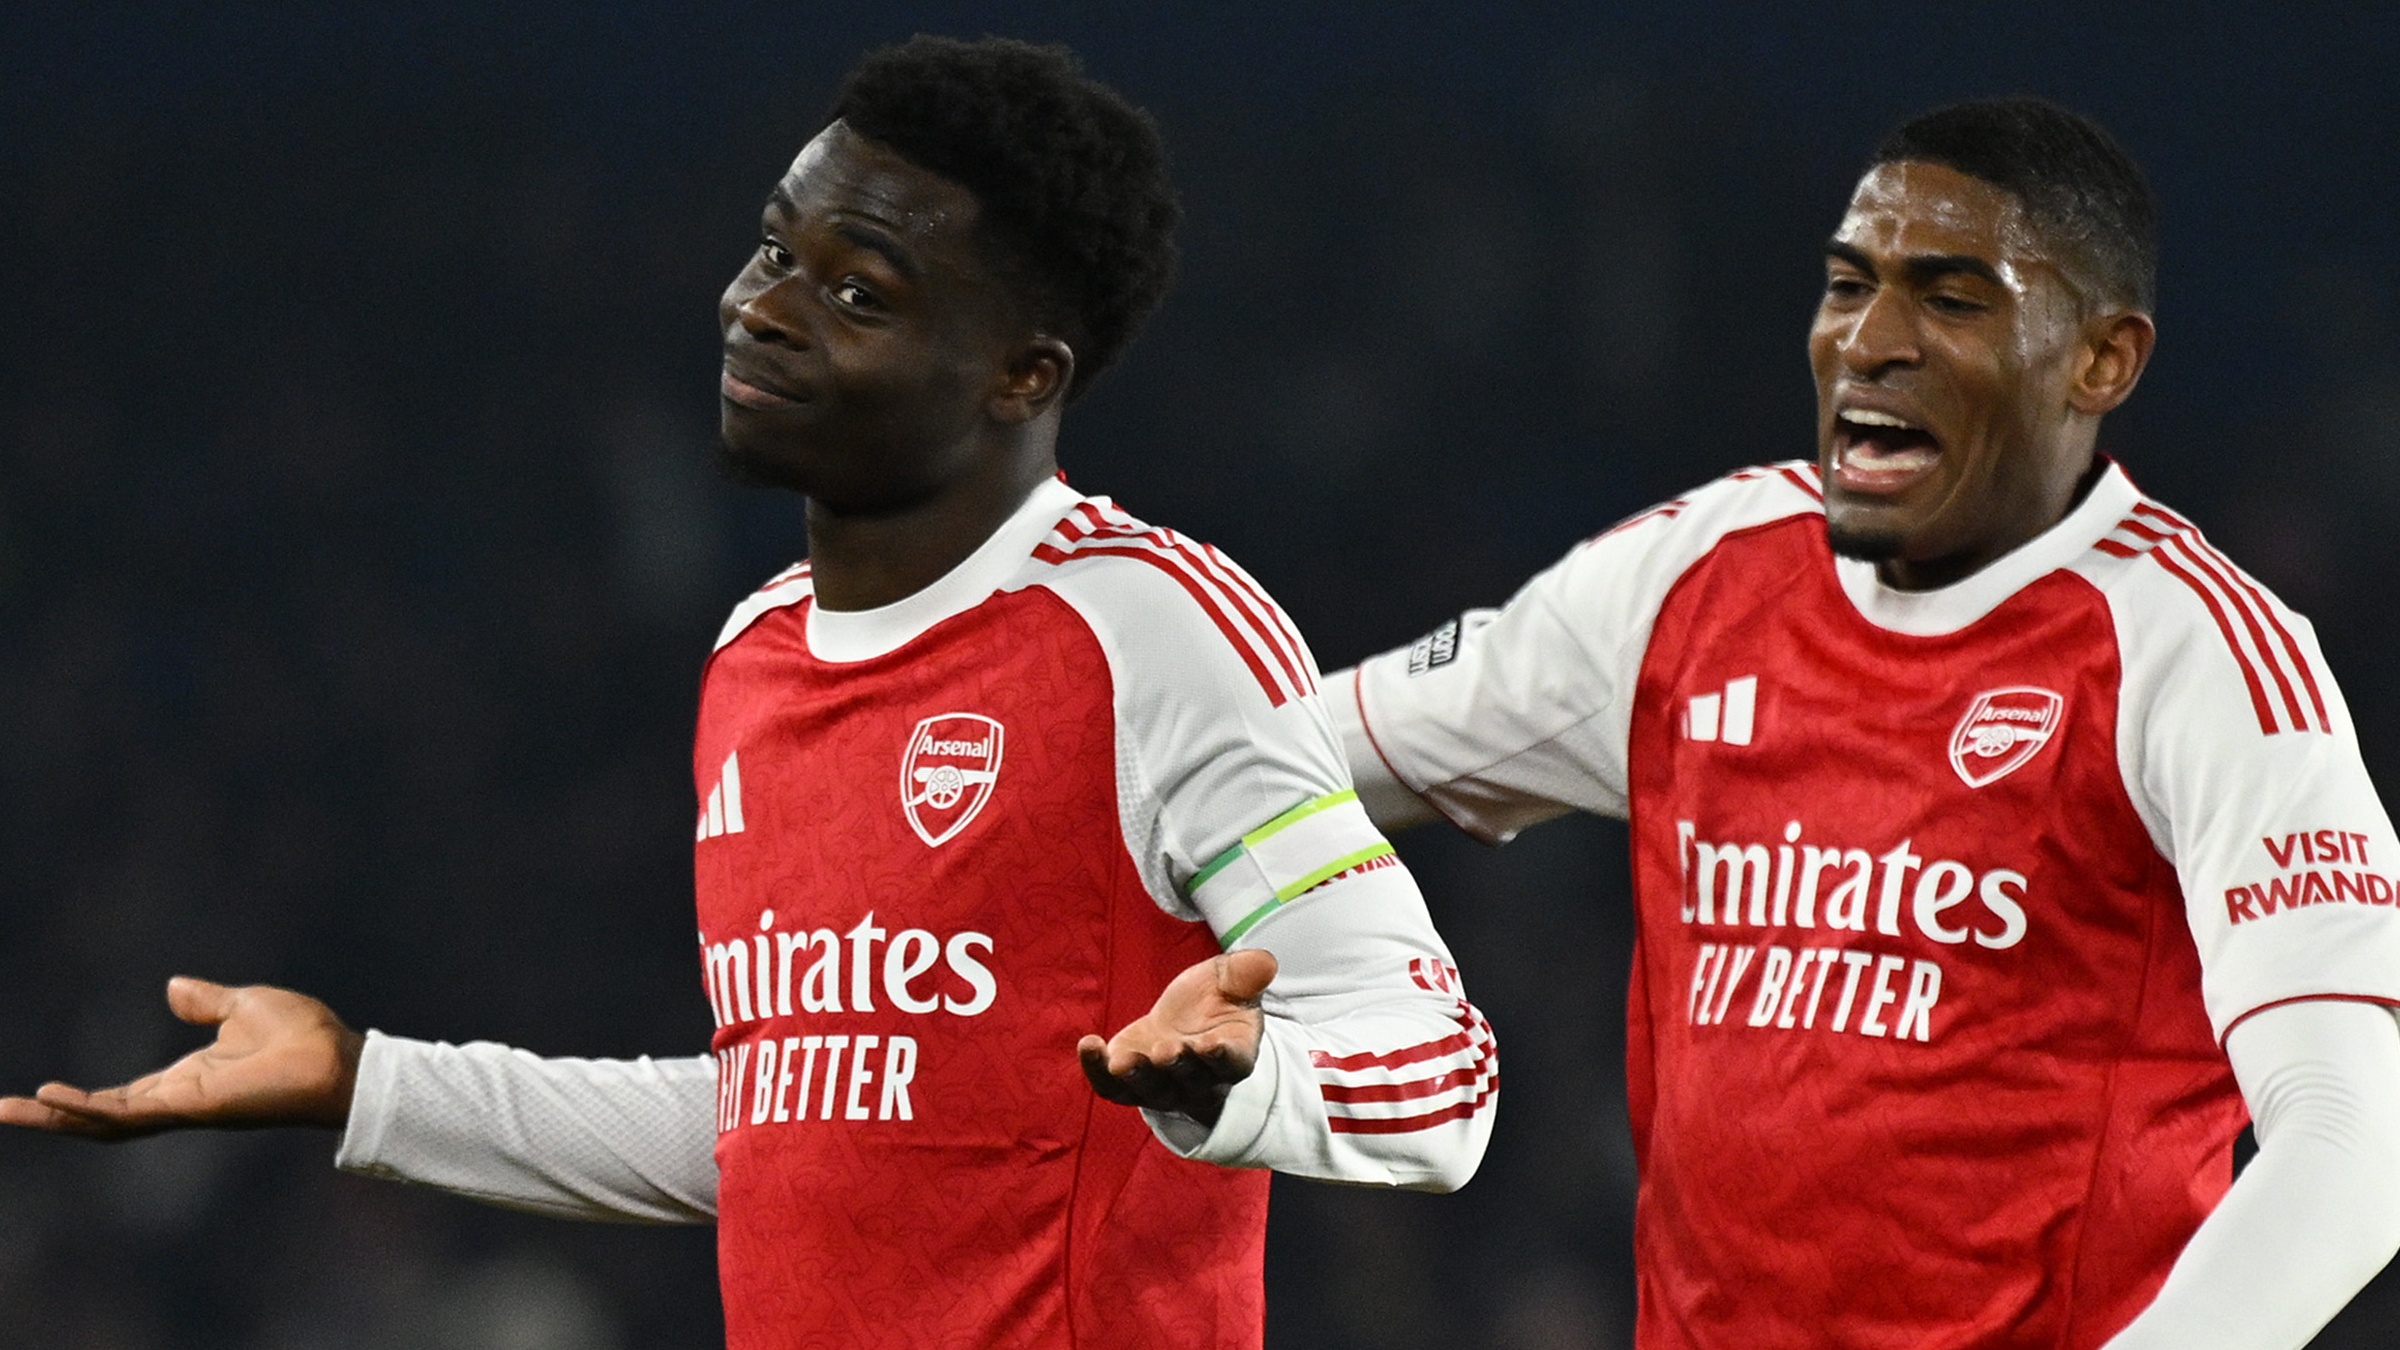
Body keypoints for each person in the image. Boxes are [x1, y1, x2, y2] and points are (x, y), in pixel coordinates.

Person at [0, 36, 1497, 1350]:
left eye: (858, 290)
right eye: (776, 251)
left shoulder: (1149, 633)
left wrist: (1243, 1080)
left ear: (1020, 374)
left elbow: (1441, 1081)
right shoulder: (755, 658)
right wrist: (369, 1083)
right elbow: (793, 1131)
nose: (764, 309)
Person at [1331, 97, 2400, 1348]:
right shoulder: (1695, 574)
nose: (1868, 341)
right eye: (1849, 286)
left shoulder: (2199, 655)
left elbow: (2355, 1148)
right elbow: (1278, 769)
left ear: (2100, 359)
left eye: (1951, 298)